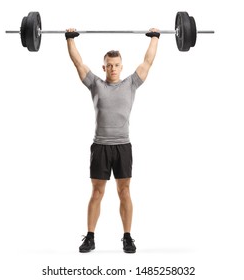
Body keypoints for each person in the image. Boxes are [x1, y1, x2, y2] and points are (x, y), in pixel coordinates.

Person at [66, 27, 159, 253]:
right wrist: (69, 39)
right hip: (100, 146)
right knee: (97, 192)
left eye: (117, 65)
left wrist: (155, 37)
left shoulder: (131, 84)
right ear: (104, 67)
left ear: (121, 66)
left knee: (124, 191)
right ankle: (90, 237)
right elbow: (78, 63)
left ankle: (127, 237)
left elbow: (147, 62)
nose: (113, 68)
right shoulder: (95, 84)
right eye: (109, 65)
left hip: (122, 146)